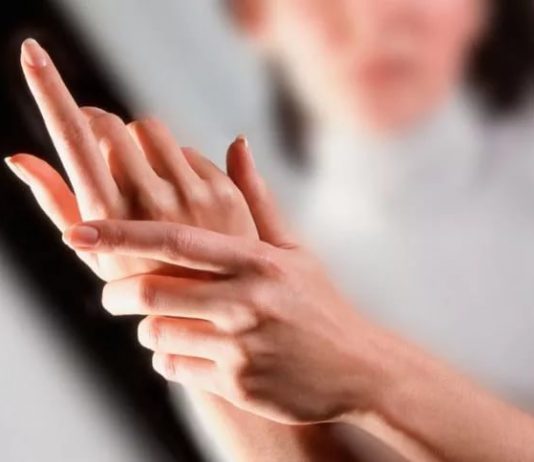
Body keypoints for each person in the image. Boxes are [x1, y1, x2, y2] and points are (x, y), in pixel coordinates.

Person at [5, 0, 534, 459]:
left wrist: (365, 369)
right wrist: (194, 311)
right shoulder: (261, 265)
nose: (369, 21)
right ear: (255, 15)